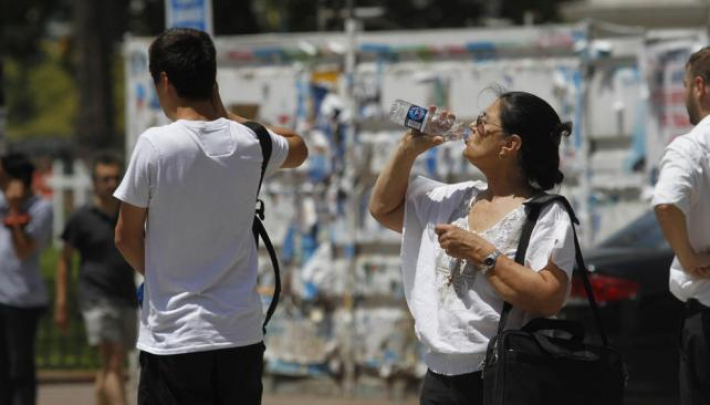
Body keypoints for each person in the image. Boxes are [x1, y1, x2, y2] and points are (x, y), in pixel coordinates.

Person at [113, 28, 308, 405]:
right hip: (240, 335)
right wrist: (225, 114)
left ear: (165, 81)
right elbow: (298, 147)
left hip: (175, 337)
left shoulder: (156, 145)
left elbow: (125, 235)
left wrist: (162, 276)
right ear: (212, 80)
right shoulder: (251, 143)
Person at [369, 91, 576, 405]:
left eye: (483, 123)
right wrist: (408, 148)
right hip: (438, 377)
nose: (471, 127)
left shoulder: (544, 214)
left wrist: (481, 252)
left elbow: (549, 298)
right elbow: (383, 209)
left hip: (500, 377)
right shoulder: (456, 198)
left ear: (510, 144)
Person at [54, 153, 137, 405]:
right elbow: (64, 261)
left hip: (126, 296)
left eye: (116, 178)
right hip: (96, 298)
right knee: (115, 360)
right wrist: (61, 302)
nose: (112, 183)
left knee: (110, 364)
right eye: (105, 179)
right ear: (94, 183)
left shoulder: (128, 213)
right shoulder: (81, 217)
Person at [653, 46, 710, 405]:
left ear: (700, 87)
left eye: (686, 85)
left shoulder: (692, 147)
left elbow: (667, 204)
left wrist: (688, 258)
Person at [0, 153, 53, 405]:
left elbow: (23, 249)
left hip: (22, 299)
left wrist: (14, 209)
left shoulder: (41, 208)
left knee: (20, 366)